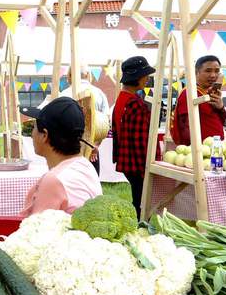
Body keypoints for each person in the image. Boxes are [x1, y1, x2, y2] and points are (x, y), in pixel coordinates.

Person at [19, 97, 102, 217]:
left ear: (45, 135)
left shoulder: (54, 181)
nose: (32, 134)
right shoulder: (85, 165)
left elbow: (34, 231)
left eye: (34, 128)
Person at [112, 56, 158, 217]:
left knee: (138, 200)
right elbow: (140, 141)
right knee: (142, 204)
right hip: (135, 163)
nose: (147, 79)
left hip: (126, 160)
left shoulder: (121, 99)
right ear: (138, 78)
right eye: (145, 75)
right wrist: (146, 168)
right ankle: (139, 229)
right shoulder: (135, 103)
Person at [171, 55, 226, 145]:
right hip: (199, 152)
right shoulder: (188, 93)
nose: (213, 75)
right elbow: (184, 127)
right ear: (197, 72)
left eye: (217, 71)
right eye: (208, 71)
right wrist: (193, 149)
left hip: (215, 149)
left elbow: (221, 121)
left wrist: (221, 107)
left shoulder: (210, 93)